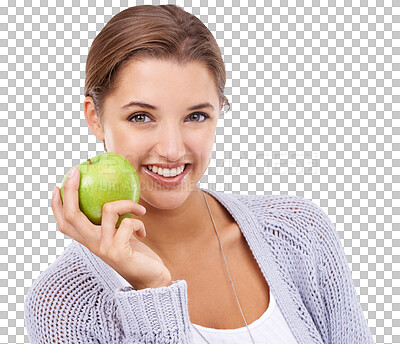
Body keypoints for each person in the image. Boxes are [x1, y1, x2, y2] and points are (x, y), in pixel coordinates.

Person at [24, 4, 374, 344]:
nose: (173, 149)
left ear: (219, 110)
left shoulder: (300, 233)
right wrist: (153, 291)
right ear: (94, 117)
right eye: (141, 117)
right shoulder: (62, 304)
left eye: (196, 116)